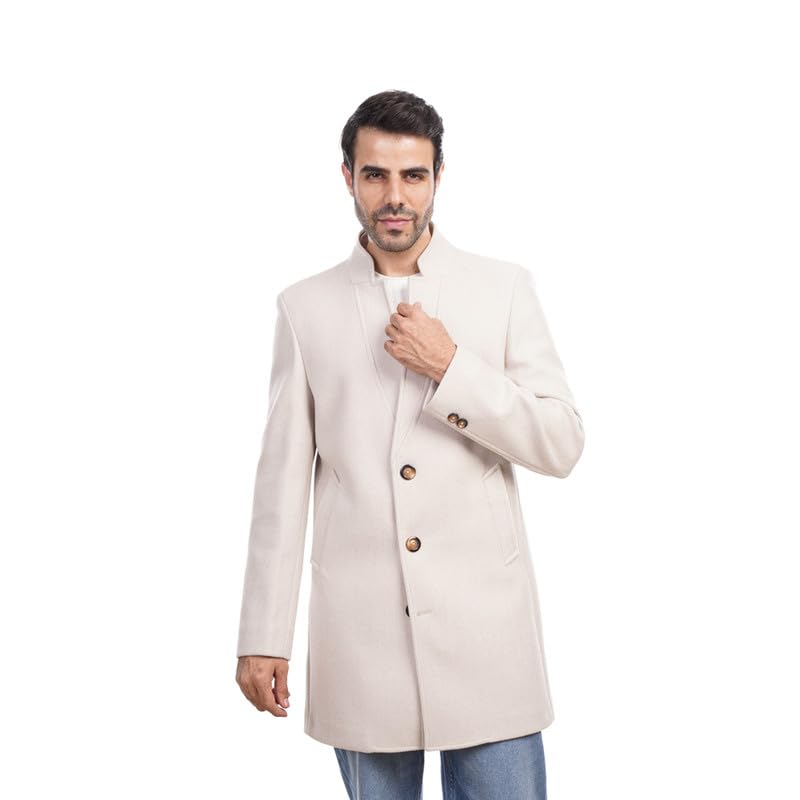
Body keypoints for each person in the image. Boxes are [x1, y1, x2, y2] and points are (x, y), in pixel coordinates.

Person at [235, 89, 585, 799]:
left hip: (487, 633)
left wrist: (451, 367)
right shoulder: (304, 307)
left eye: (413, 175)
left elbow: (561, 442)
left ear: (438, 176)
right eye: (375, 175)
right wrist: (263, 634)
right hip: (361, 635)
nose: (395, 197)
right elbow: (282, 485)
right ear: (348, 177)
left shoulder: (503, 289)